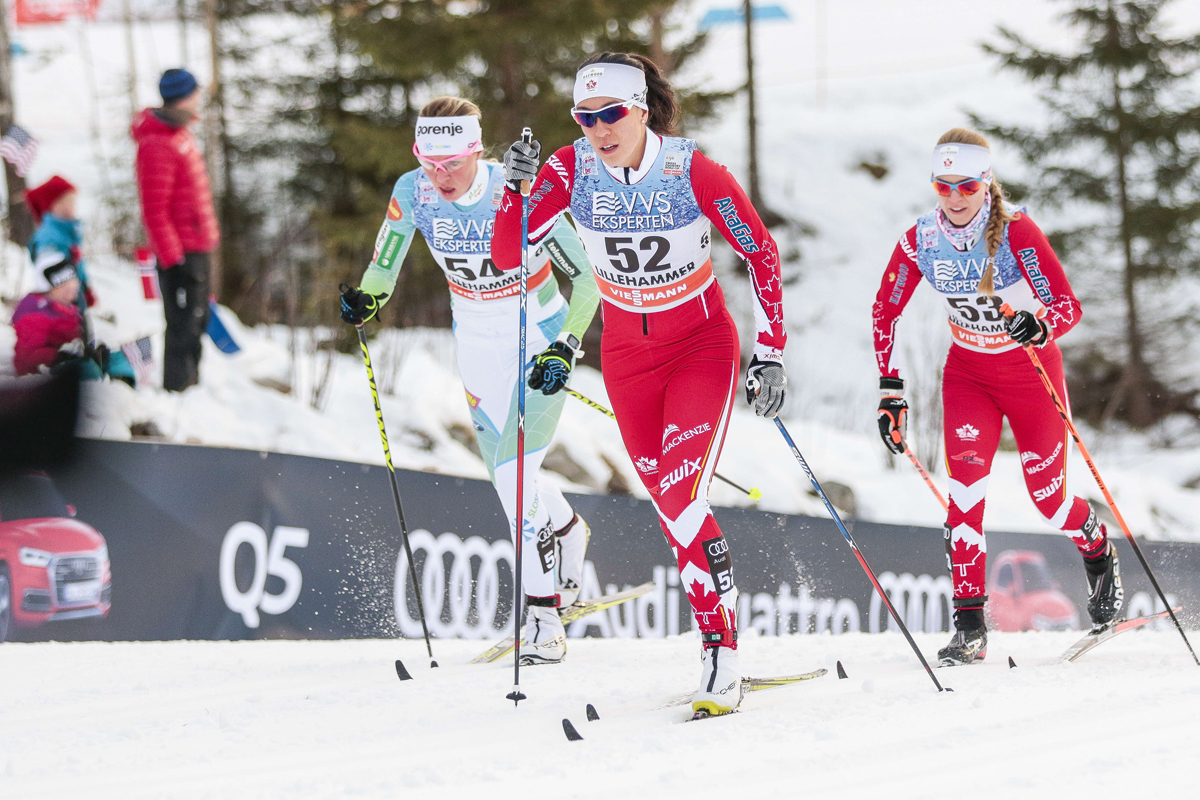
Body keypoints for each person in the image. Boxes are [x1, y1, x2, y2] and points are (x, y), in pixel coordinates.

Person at [491, 53, 788, 717]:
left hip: (700, 347)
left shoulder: (691, 169)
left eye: (611, 113)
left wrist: (770, 351)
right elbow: (509, 255)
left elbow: (760, 251)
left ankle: (722, 653)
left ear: (643, 108)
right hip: (626, 356)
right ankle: (719, 641)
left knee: (683, 499)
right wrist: (515, 190)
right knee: (669, 510)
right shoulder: (570, 169)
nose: (598, 127)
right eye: (585, 116)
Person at [339, 97, 600, 665]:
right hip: (477, 342)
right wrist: (368, 299)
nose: (442, 175)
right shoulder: (413, 192)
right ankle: (567, 528)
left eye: (453, 162)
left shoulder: (520, 192)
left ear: (477, 152)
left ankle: (542, 615)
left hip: (539, 335)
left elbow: (588, 284)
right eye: (430, 162)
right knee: (510, 474)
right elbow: (385, 266)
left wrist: (565, 346)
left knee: (512, 478)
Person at [872, 128, 1123, 666]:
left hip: (1031, 376)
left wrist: (1040, 325)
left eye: (965, 185)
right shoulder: (920, 240)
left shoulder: (1016, 231)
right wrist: (891, 389)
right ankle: (970, 627)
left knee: (1050, 501)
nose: (955, 198)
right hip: (968, 376)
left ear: (986, 183)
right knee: (963, 501)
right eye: (943, 186)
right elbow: (884, 311)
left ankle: (1098, 551)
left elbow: (1066, 305)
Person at [132, 67, 220, 392]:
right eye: (195, 92)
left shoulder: (179, 133)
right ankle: (178, 391)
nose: (199, 98)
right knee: (182, 325)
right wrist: (174, 258)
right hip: (180, 253)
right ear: (184, 96)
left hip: (197, 245)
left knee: (198, 320)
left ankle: (192, 389)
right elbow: (155, 210)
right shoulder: (157, 142)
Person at [11, 251, 132, 384]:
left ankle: (123, 384)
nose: (74, 288)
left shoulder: (66, 307)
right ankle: (101, 391)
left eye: (74, 284)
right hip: (51, 373)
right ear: (49, 288)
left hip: (75, 359)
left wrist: (92, 351)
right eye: (66, 288)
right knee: (86, 367)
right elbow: (25, 359)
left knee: (116, 355)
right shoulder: (35, 314)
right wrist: (59, 356)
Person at [25, 175, 95, 308]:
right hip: (61, 306)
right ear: (56, 205)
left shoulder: (67, 232)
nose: (74, 206)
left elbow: (78, 268)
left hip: (74, 299)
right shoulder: (49, 235)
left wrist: (85, 288)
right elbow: (49, 273)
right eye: (70, 202)